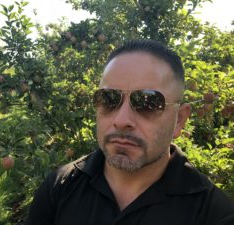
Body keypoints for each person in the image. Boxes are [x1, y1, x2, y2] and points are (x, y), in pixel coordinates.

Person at [27, 39, 234, 225]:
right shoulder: (60, 186)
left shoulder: (214, 214)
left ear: (179, 120)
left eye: (148, 103)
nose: (122, 120)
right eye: (108, 99)